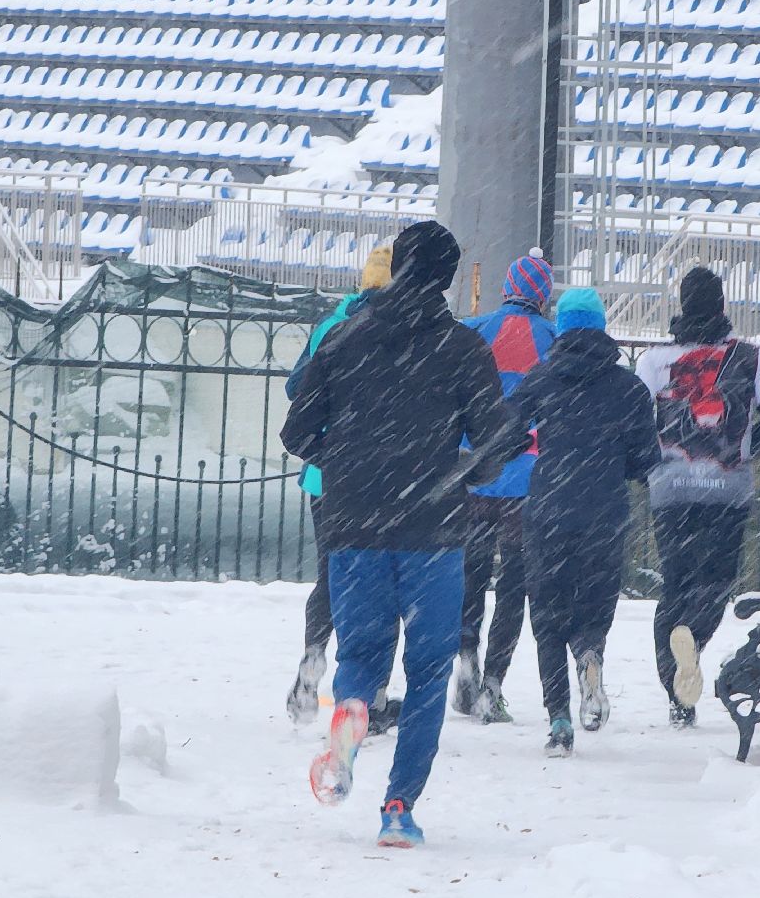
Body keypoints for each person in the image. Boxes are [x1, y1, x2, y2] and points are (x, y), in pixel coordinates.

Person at [281, 220, 528, 848]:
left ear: (396, 267)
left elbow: (298, 432)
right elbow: (496, 440)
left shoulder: (342, 337)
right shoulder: (462, 347)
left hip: (354, 525)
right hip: (434, 530)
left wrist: (347, 460)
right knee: (427, 671)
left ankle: (352, 715)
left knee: (361, 654)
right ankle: (398, 809)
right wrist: (471, 465)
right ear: (446, 277)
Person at [636, 267, 760, 728]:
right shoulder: (749, 357)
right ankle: (695, 638)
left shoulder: (653, 360)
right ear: (722, 305)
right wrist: (745, 450)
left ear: (682, 306)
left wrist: (652, 464)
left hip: (672, 491)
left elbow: (633, 420)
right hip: (728, 491)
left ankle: (676, 690)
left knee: (674, 584)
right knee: (716, 584)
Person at [509, 288, 661, 757]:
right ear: (600, 326)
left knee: (547, 618)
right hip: (604, 511)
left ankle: (558, 719)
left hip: (549, 508)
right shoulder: (628, 387)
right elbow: (645, 460)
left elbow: (508, 429)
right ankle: (591, 652)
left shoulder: (542, 378)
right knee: (593, 605)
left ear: (562, 326)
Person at [285, 245, 404, 732]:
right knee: (384, 583)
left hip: (325, 475)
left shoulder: (330, 326)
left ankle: (314, 656)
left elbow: (297, 388)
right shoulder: (401, 333)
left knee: (330, 573)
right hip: (385, 476)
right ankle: (370, 695)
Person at [452, 249, 558, 724]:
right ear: (544, 295)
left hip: (475, 478)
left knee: (470, 576)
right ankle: (493, 685)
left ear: (507, 288)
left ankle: (466, 653)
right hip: (526, 481)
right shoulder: (553, 339)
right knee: (514, 586)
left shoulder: (473, 331)